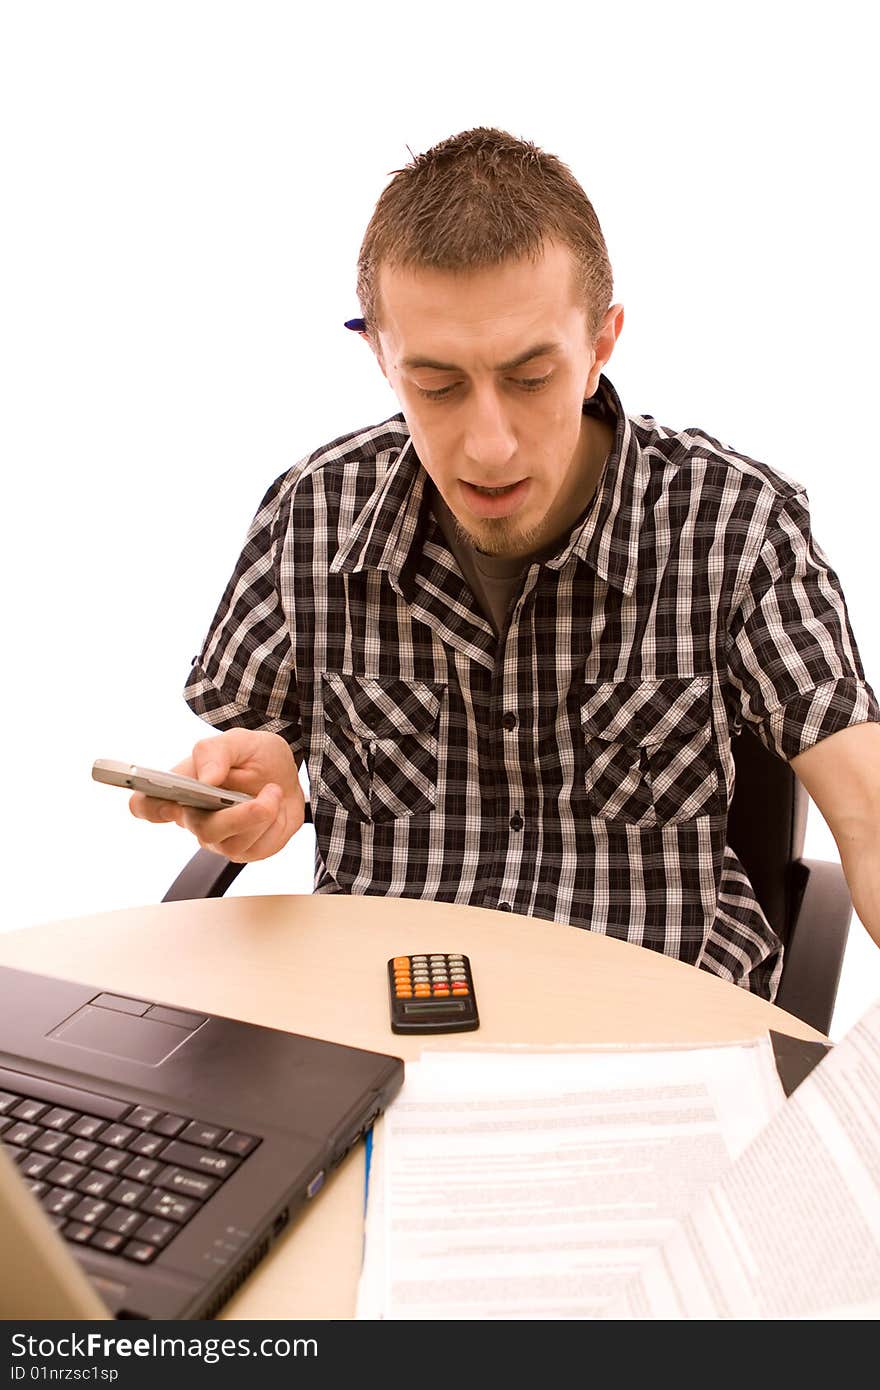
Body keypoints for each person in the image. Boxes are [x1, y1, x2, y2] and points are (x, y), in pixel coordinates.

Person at [130, 126, 880, 1001]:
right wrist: (260, 786)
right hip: (386, 1027)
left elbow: (864, 802)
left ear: (602, 343)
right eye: (437, 386)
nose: (487, 447)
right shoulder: (313, 513)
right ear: (378, 353)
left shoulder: (738, 524)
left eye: (530, 377)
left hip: (657, 1035)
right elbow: (254, 747)